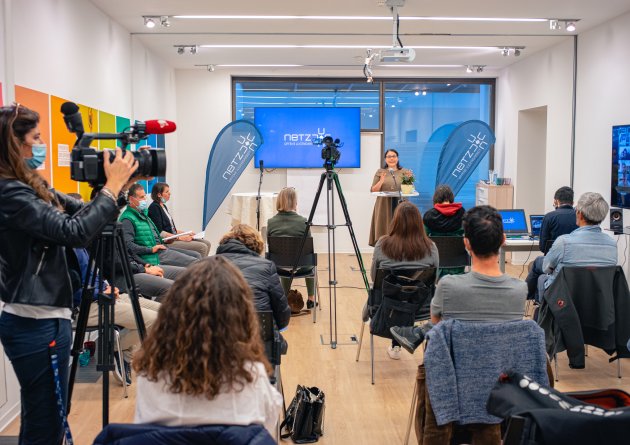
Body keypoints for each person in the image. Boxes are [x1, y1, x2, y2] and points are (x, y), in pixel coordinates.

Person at [0, 104, 137, 444]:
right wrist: (110, 189)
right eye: (36, 137)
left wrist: (114, 189)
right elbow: (74, 231)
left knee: (43, 419)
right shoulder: (10, 193)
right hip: (35, 320)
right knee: (48, 422)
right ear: (15, 144)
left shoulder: (31, 185)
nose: (42, 143)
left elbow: (88, 214)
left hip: (47, 317)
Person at [133, 256, 283, 435]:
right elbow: (266, 428)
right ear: (239, 314)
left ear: (172, 308)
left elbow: (144, 429)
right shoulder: (251, 375)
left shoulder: (150, 374)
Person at [391, 205, 527, 353]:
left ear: (466, 243)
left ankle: (417, 333)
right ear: (503, 240)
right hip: (503, 370)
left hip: (458, 369)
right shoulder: (520, 290)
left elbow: (438, 332)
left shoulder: (448, 286)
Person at [67, 193, 184, 302]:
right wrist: (143, 268)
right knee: (171, 288)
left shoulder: (116, 225)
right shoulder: (93, 234)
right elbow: (111, 264)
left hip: (133, 268)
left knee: (184, 274)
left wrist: (145, 264)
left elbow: (128, 251)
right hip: (122, 275)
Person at [370, 201, 439, 360]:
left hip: (385, 306)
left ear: (395, 221)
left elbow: (375, 278)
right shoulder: (431, 247)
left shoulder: (382, 244)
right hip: (420, 307)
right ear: (419, 223)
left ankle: (395, 344)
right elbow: (433, 279)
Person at [215, 224, 291, 341]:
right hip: (259, 343)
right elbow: (282, 313)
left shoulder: (204, 266)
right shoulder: (266, 266)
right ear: (256, 244)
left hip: (216, 344)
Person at [538, 192, 617, 299]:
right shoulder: (612, 244)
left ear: (579, 214)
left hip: (564, 301)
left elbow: (546, 268)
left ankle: (541, 313)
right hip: (597, 300)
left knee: (542, 278)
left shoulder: (563, 242)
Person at [120, 183, 199, 268]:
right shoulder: (127, 219)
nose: (145, 200)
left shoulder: (143, 215)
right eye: (142, 197)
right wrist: (150, 249)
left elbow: (153, 236)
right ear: (131, 199)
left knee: (197, 256)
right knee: (196, 262)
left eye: (145, 197)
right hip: (153, 256)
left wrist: (166, 240)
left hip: (161, 248)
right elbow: (127, 245)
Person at [267, 187, 317, 308]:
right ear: (295, 202)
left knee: (285, 260)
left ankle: (284, 299)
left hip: (279, 267)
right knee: (309, 261)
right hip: (303, 267)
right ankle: (311, 299)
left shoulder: (271, 222)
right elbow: (308, 249)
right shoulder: (304, 221)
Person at [525, 186, 578, 300]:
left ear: (556, 201)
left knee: (536, 263)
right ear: (573, 202)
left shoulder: (549, 217)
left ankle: (527, 296)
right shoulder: (579, 217)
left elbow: (543, 247)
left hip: (554, 262)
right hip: (574, 261)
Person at [148, 182, 211, 257]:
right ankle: (201, 268)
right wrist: (180, 238)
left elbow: (171, 229)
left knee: (207, 243)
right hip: (168, 242)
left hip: (173, 238)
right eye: (167, 192)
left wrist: (186, 233)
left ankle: (203, 266)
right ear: (159, 195)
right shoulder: (154, 207)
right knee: (202, 247)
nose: (170, 193)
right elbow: (160, 232)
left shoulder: (163, 206)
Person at [369, 149, 407, 247]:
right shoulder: (380, 172)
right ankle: (384, 251)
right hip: (384, 205)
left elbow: (409, 189)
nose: (391, 158)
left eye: (394, 156)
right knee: (384, 229)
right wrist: (381, 180)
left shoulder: (404, 171)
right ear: (385, 159)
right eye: (389, 156)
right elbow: (373, 190)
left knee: (401, 228)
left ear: (397, 158)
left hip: (400, 204)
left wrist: (409, 180)